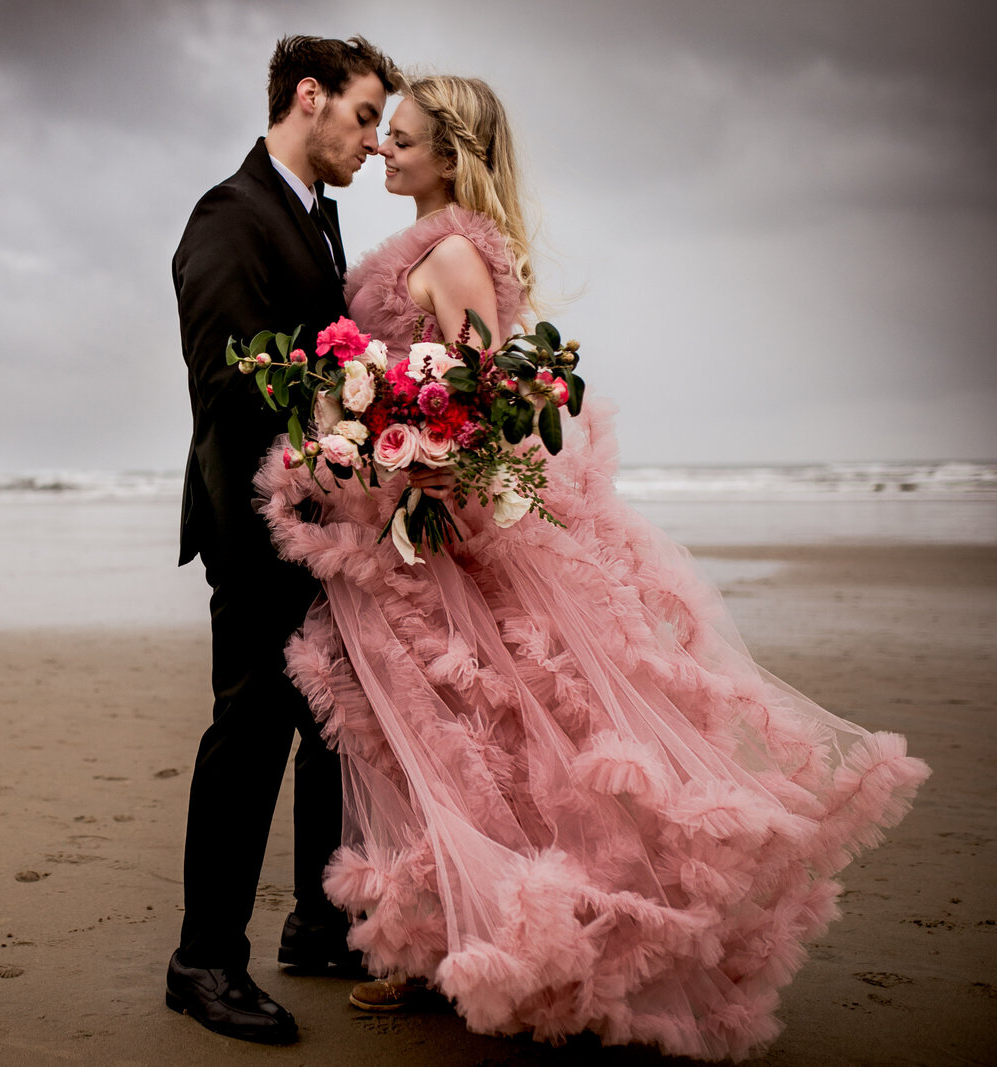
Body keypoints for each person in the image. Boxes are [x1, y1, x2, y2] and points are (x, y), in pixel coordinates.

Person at [251, 75, 931, 1061]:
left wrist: (398, 437)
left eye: (402, 141)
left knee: (474, 732)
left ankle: (527, 931)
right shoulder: (428, 247)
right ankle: (458, 939)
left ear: (449, 155)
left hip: (442, 530)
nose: (385, 153)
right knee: (431, 736)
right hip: (397, 515)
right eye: (383, 137)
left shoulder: (449, 257)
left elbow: (477, 405)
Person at [165, 34, 403, 1046]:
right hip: (253, 520)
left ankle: (317, 918)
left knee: (331, 717)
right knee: (251, 724)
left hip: (318, 524)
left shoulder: (319, 219)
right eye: (361, 116)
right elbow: (226, 381)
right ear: (309, 98)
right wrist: (342, 399)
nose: (371, 141)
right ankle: (202, 961)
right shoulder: (229, 214)